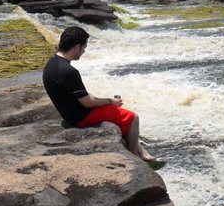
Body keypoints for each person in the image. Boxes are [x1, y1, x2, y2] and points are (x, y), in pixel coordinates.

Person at [43, 26, 155, 162]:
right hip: (81, 117)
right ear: (77, 47)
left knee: (117, 112)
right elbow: (87, 102)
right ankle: (135, 158)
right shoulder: (68, 71)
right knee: (133, 117)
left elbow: (80, 95)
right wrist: (110, 101)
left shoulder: (52, 63)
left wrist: (106, 102)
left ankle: (138, 148)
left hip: (71, 112)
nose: (83, 52)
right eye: (84, 48)